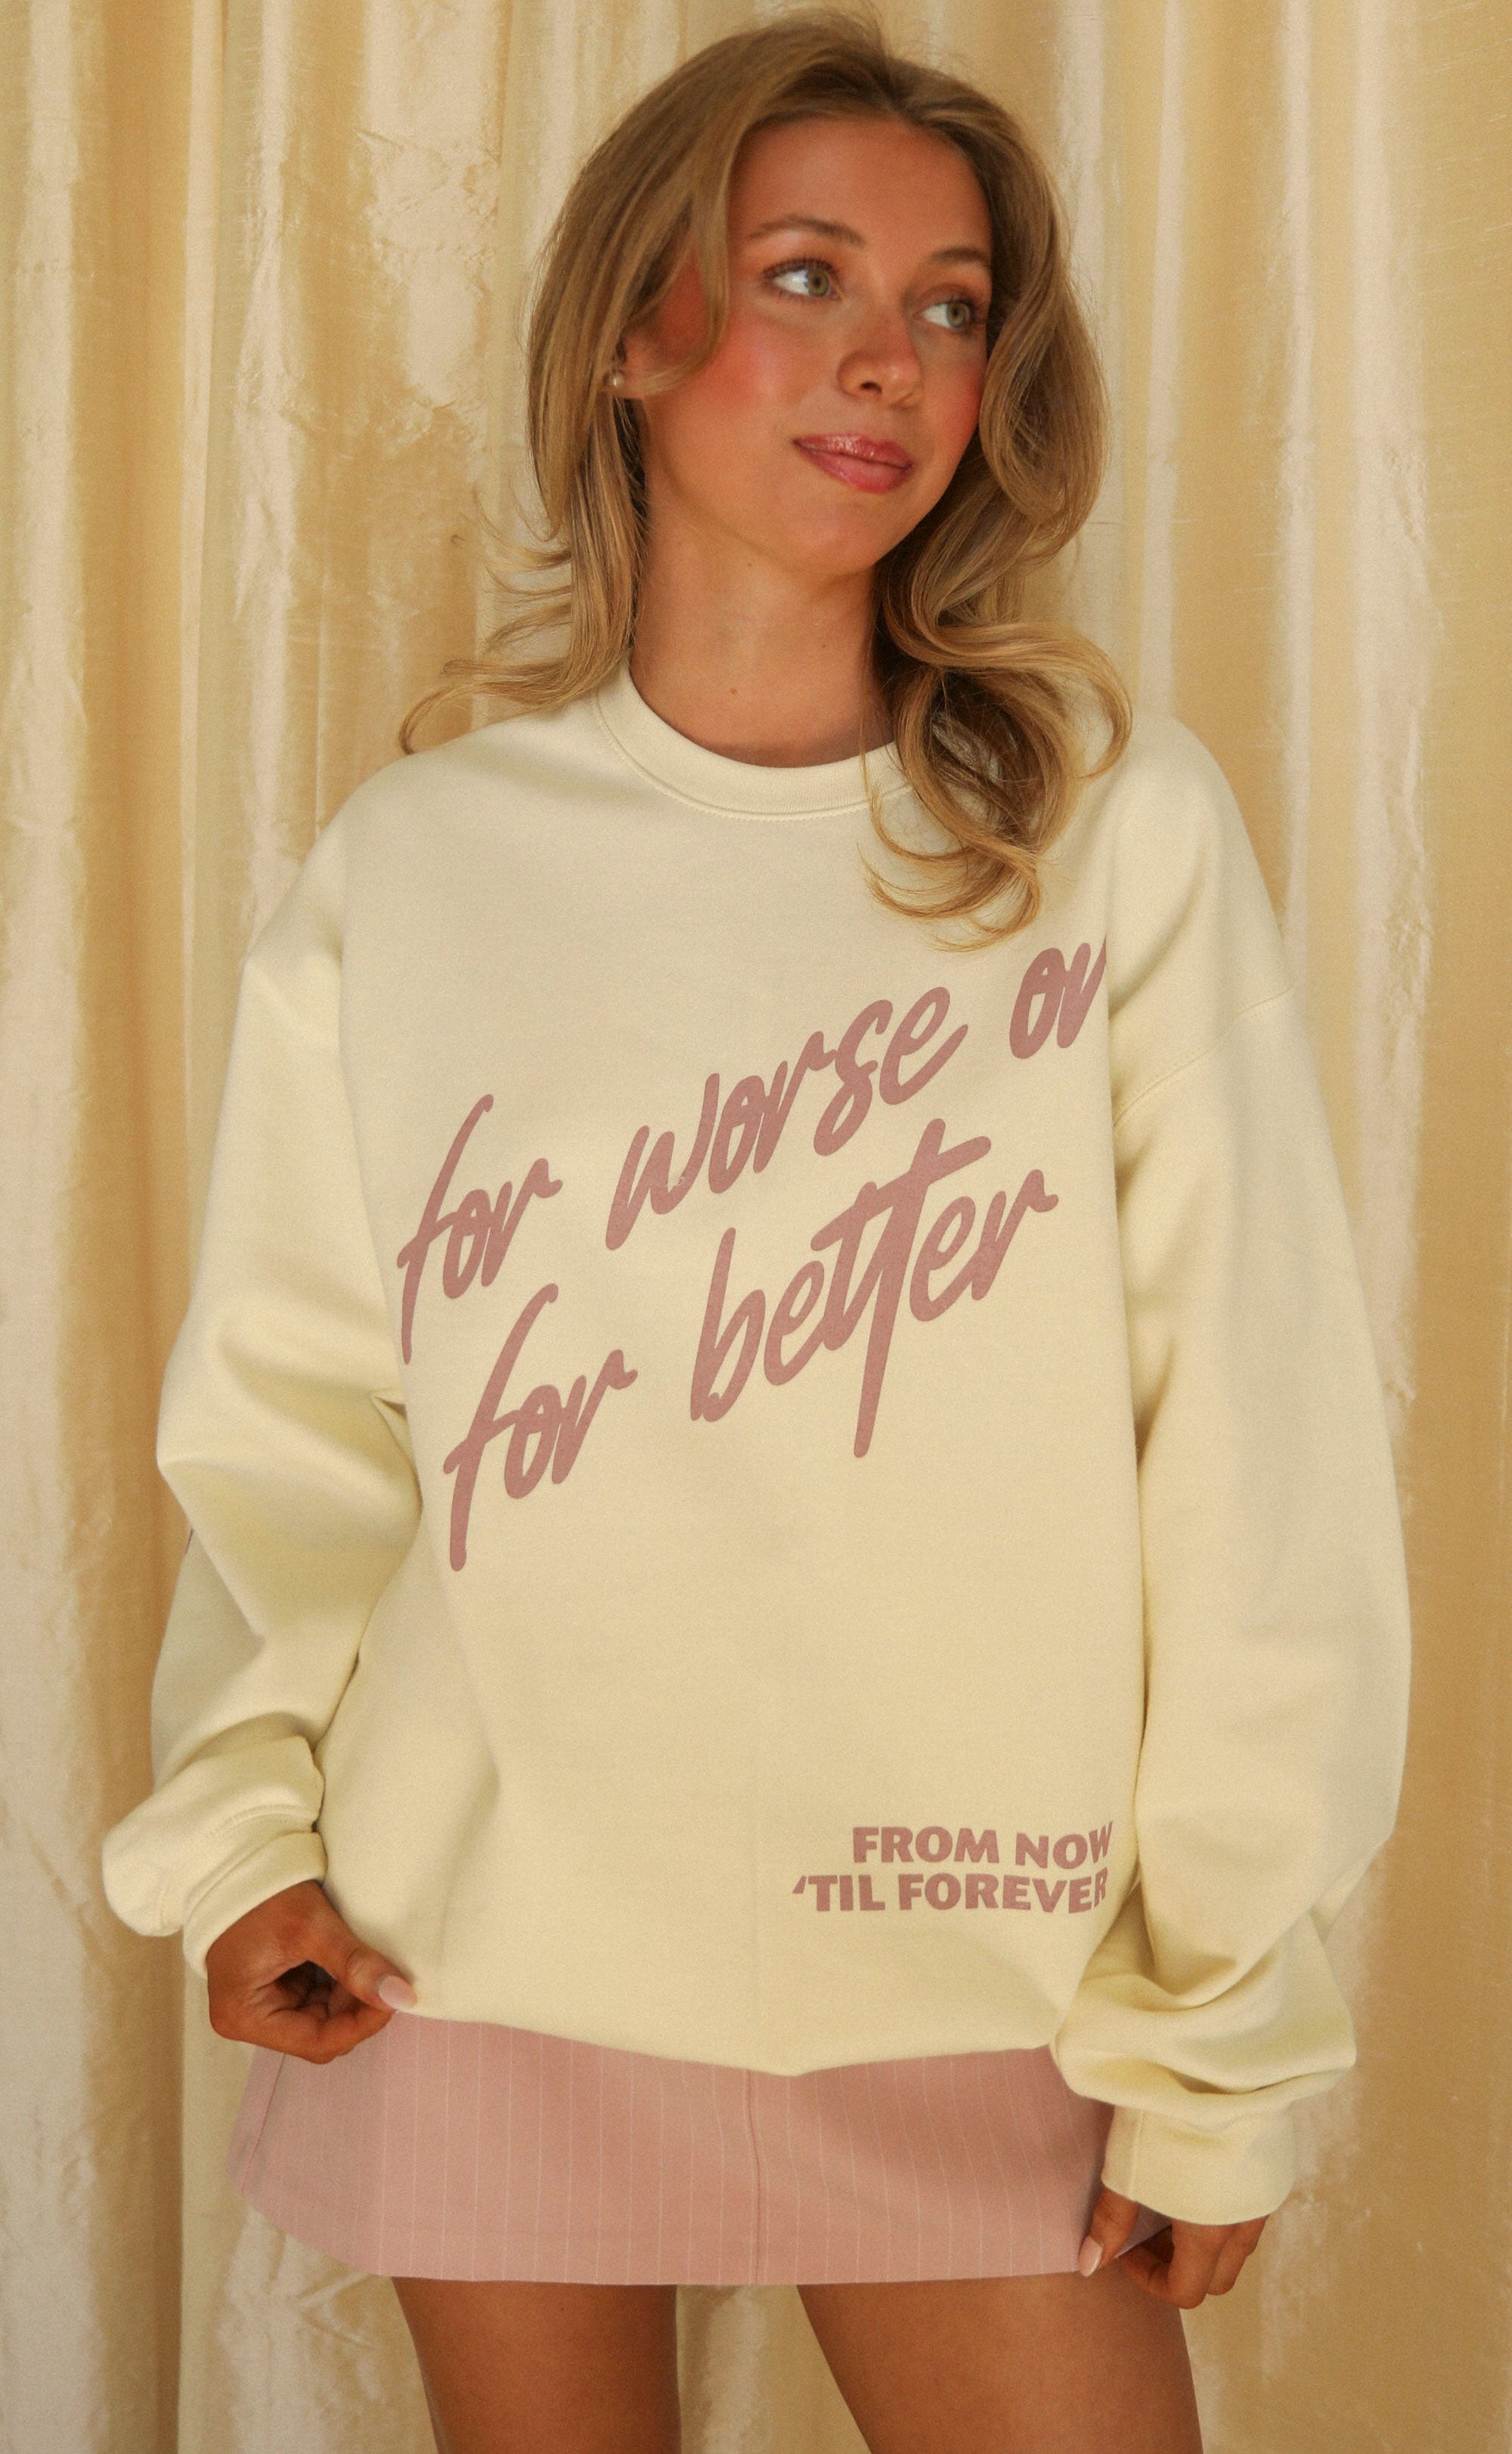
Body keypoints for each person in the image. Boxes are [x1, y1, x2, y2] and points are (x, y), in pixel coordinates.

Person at [101, 14, 1411, 2452]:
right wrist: (250, 1834)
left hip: (976, 1960)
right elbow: (298, 1426)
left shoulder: (1106, 833)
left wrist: (1217, 2024)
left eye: (950, 305)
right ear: (637, 331)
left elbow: (1258, 1451)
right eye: (807, 274)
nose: (890, 359)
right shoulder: (423, 864)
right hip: (475, 1948)